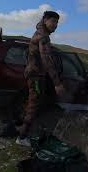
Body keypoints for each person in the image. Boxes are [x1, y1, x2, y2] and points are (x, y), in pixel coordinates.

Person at [15, 11, 66, 147]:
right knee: (34, 105)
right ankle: (22, 137)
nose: (55, 25)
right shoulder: (43, 37)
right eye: (53, 21)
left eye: (57, 22)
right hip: (36, 76)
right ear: (45, 20)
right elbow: (47, 60)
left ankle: (21, 128)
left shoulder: (38, 33)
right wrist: (57, 83)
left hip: (33, 73)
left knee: (31, 102)